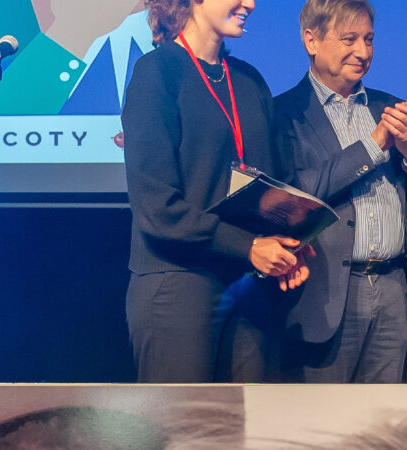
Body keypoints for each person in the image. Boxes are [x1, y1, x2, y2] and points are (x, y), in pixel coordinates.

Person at [121, 0, 310, 384]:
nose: (250, 4)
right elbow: (158, 209)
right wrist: (250, 246)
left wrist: (290, 245)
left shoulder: (249, 81)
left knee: (246, 419)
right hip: (178, 282)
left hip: (249, 286)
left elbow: (273, 184)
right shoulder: (156, 72)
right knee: (181, 420)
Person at [272, 0, 407, 384]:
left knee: (380, 417)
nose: (363, 52)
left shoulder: (389, 108)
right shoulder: (284, 114)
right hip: (326, 294)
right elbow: (295, 195)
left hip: (392, 287)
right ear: (311, 40)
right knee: (322, 418)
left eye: (369, 39)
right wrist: (373, 146)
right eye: (349, 39)